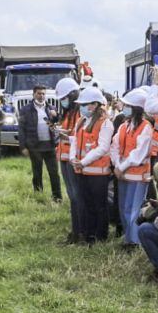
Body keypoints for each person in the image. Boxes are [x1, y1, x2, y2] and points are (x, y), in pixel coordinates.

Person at [71, 87, 114, 244]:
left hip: (98, 173)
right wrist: (73, 158)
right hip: (82, 171)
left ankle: (100, 236)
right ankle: (89, 235)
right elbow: (75, 141)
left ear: (95, 105)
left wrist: (82, 162)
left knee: (99, 206)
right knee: (87, 204)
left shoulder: (105, 124)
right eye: (81, 104)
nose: (81, 107)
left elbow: (102, 147)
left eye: (84, 104)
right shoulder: (82, 121)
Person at [112, 88, 153, 248]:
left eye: (128, 105)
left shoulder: (146, 127)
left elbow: (138, 154)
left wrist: (120, 167)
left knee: (134, 209)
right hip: (123, 174)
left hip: (138, 175)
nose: (124, 108)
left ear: (136, 108)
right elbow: (114, 146)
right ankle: (128, 239)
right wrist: (117, 165)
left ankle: (134, 241)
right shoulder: (124, 126)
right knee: (124, 208)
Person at [17, 85, 62, 201]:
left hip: (50, 146)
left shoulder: (50, 108)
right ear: (34, 94)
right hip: (35, 146)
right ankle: (39, 197)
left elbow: (56, 124)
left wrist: (56, 116)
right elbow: (21, 129)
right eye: (39, 93)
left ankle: (57, 197)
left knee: (54, 173)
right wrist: (23, 147)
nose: (41, 96)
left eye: (43, 94)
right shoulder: (26, 110)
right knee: (37, 173)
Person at [53, 77, 83, 243]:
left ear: (72, 96)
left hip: (73, 160)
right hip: (64, 158)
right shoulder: (68, 112)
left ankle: (80, 231)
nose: (63, 102)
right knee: (72, 196)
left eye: (64, 98)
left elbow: (79, 135)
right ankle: (75, 231)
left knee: (77, 196)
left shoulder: (79, 112)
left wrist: (65, 133)